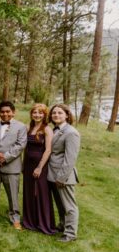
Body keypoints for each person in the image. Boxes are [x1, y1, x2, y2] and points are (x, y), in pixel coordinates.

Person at [47, 104, 81, 242]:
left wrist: (61, 177)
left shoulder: (71, 132)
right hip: (52, 174)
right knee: (60, 204)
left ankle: (71, 233)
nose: (56, 115)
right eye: (54, 113)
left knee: (69, 206)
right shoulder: (54, 130)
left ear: (67, 115)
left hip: (63, 176)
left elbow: (70, 158)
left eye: (60, 113)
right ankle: (62, 225)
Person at [21, 104, 56, 235]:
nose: (37, 115)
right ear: (31, 114)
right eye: (35, 112)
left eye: (40, 113)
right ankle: (30, 221)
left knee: (41, 193)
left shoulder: (47, 129)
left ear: (44, 115)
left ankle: (44, 223)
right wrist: (24, 164)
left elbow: (48, 150)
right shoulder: (29, 128)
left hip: (40, 165)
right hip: (28, 164)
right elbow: (26, 148)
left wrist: (40, 167)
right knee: (29, 192)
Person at [0, 101, 27, 230]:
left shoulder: (21, 127)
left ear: (13, 112)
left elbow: (20, 145)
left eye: (8, 111)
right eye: (2, 112)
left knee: (13, 194)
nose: (5, 114)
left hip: (12, 166)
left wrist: (5, 157)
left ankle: (15, 217)